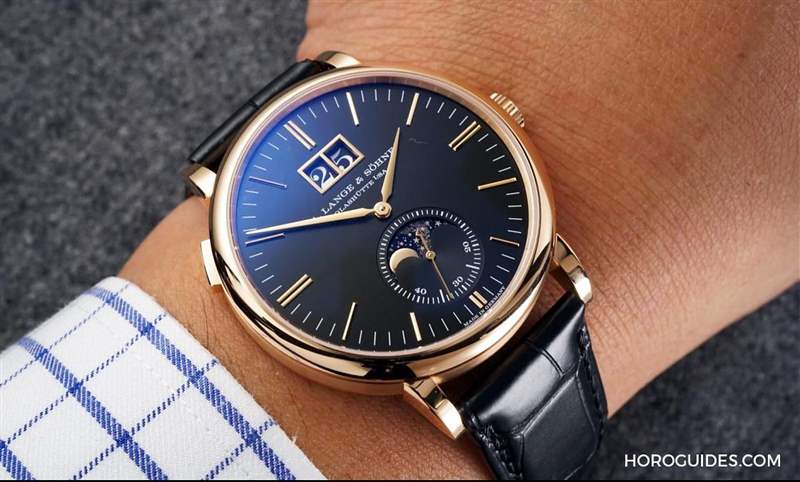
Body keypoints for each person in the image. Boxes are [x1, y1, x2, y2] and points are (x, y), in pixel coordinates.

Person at [2, 1, 797, 479]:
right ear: (223, 268)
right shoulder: (425, 388)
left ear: (501, 117)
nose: (383, 209)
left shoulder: (555, 269)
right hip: (420, 355)